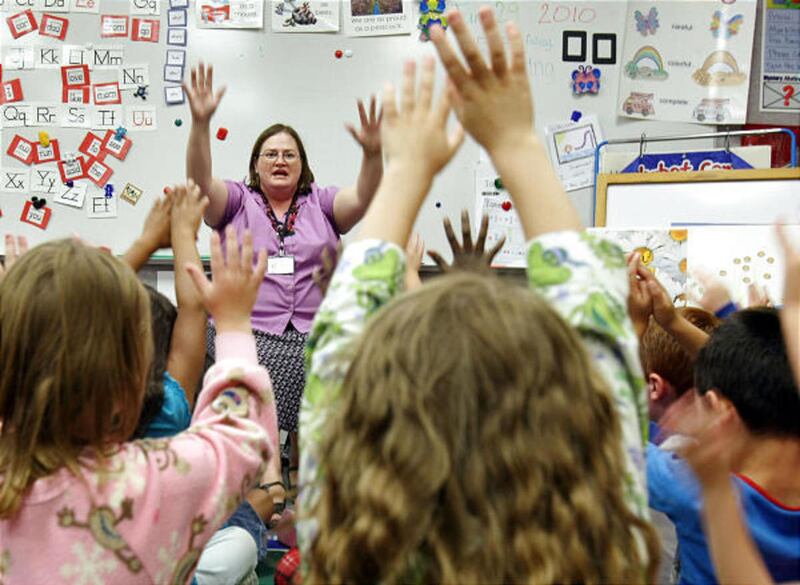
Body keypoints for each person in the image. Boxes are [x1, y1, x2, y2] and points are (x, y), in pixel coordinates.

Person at [298, 8, 657, 582]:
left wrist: (407, 168)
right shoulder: (606, 530)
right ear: (573, 402)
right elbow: (600, 314)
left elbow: (336, 338)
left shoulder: (343, 531)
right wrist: (516, 141)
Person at [0, 225, 278, 583]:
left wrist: (19, 316)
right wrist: (234, 322)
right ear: (136, 379)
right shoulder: (155, 480)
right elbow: (243, 435)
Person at [183, 62, 383, 516]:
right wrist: (200, 123)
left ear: (302, 164)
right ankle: (270, 482)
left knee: (330, 372)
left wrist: (373, 155)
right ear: (255, 164)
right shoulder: (236, 201)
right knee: (261, 370)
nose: (279, 160)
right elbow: (199, 182)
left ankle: (311, 487)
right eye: (270, 154)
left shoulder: (324, 203)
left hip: (315, 333)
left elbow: (366, 197)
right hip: (250, 333)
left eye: (289, 154)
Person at [639, 268, 800, 584]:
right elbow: (754, 373)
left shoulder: (694, 489)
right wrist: (673, 321)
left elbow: (604, 436)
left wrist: (631, 328)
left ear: (718, 413)